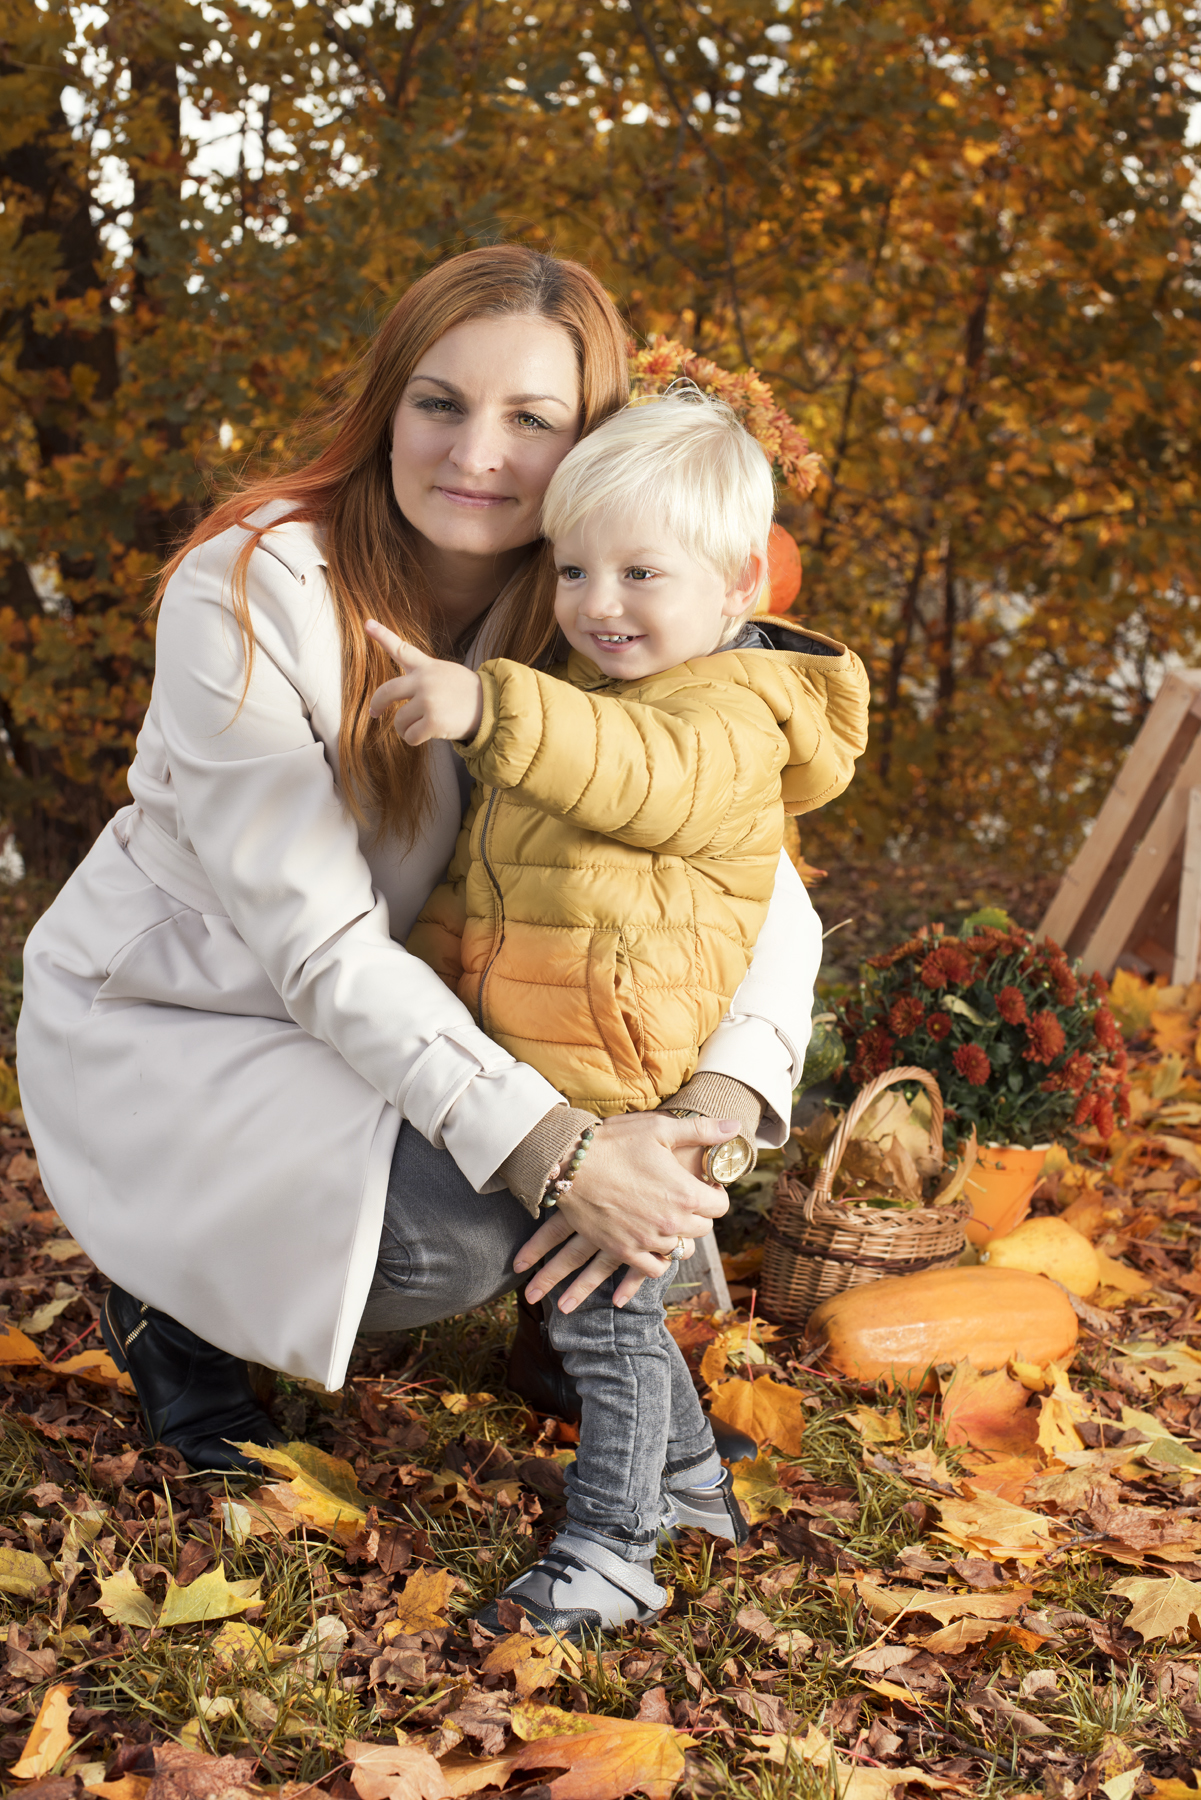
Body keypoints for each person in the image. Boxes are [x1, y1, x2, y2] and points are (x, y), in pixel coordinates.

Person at [15, 245, 823, 1493]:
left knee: (619, 1069)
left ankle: (578, 1322)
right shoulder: (252, 588)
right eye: (440, 402)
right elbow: (320, 949)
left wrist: (702, 1119)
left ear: (590, 444)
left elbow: (749, 876)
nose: (476, 454)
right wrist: (561, 1154)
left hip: (430, 1002)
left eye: (532, 419)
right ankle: (170, 1305)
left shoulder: (605, 598)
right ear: (389, 403)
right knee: (465, 1229)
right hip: (201, 1015)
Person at [366, 393, 868, 1637]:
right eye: (577, 568)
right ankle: (696, 1485)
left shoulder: (726, 715)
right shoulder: (597, 696)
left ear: (740, 579)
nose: (600, 602)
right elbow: (494, 888)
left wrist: (490, 707)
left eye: (642, 571)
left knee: (601, 1321)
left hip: (620, 1077)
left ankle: (613, 1550)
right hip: (551, 1064)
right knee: (598, 1302)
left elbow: (649, 782)